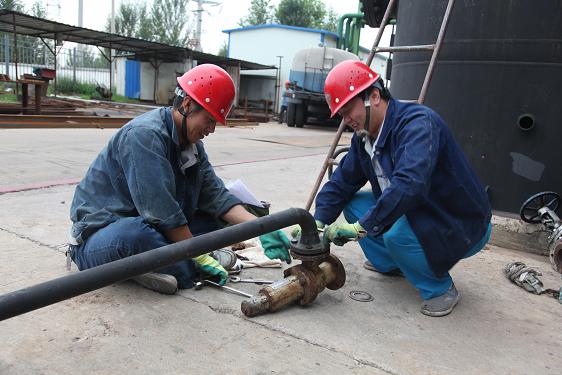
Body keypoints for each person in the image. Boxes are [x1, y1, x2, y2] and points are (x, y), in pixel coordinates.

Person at [69, 64, 291, 295]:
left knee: (215, 222)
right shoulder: (144, 136)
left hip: (146, 223)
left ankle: (153, 265)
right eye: (209, 120)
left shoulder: (192, 146)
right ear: (187, 105)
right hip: (102, 237)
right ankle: (180, 266)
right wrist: (199, 253)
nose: (212, 129)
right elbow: (161, 211)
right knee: (141, 237)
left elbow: (215, 195)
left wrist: (261, 227)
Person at [311, 60, 492, 317]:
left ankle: (440, 289)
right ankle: (392, 264)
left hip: (459, 219)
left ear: (373, 96)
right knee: (353, 205)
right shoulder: (364, 137)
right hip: (418, 208)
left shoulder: (418, 124)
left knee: (395, 234)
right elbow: (342, 182)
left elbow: (410, 186)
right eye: (341, 114)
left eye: (348, 109)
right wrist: (316, 221)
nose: (346, 119)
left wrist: (363, 226)